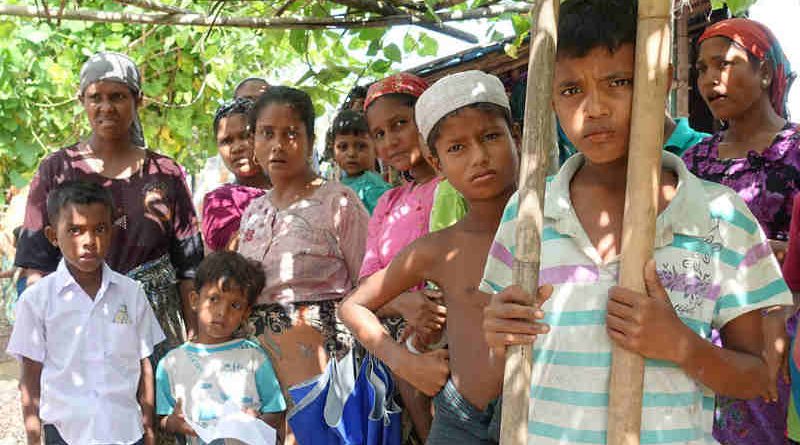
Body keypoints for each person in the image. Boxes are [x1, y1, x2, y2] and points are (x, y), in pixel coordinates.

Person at [480, 2, 792, 444]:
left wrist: (681, 345)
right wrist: (499, 333)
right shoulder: (528, 213)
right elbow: (502, 360)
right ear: (549, 96)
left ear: (660, 81)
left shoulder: (720, 218)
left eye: (618, 82)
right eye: (571, 90)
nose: (594, 108)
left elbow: (759, 377)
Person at [341, 70, 519, 444]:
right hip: (460, 417)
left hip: (539, 409)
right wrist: (407, 363)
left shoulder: (556, 224)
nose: (479, 157)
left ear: (516, 137)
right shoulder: (438, 248)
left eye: (490, 137)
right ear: (437, 163)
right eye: (457, 148)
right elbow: (353, 306)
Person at [13, 52, 202, 363]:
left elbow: (189, 269)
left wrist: (196, 347)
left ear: (138, 101)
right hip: (77, 324)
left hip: (153, 328)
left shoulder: (165, 173)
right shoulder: (57, 171)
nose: (106, 107)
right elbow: (36, 266)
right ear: (82, 101)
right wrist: (37, 345)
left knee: (151, 406)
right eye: (95, 97)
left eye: (117, 96)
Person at [681, 17, 799, 444]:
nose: (711, 80)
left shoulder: (796, 151)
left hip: (781, 329)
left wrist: (780, 253)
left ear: (765, 72)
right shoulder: (692, 163)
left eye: (724, 65)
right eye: (701, 70)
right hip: (705, 327)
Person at [236, 86, 369, 444]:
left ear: (310, 141)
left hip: (320, 366)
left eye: (290, 133)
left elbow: (368, 284)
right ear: (254, 141)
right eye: (267, 133)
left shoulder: (338, 202)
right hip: (261, 368)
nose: (278, 145)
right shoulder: (253, 212)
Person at [7, 180, 165, 445]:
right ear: (53, 236)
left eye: (100, 229)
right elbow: (30, 375)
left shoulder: (131, 293)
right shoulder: (36, 301)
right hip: (66, 433)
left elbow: (143, 362)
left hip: (126, 431)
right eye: (75, 230)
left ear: (112, 232)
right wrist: (34, 435)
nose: (89, 241)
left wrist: (148, 424)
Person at [360, 73, 448, 442]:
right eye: (379, 134)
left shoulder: (454, 187)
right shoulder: (387, 203)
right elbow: (366, 286)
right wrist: (404, 302)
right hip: (398, 351)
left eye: (399, 124)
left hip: (454, 337)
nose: (390, 140)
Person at [156, 251, 286, 444]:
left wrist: (255, 423)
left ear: (245, 313)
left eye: (235, 305)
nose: (222, 312)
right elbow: (162, 419)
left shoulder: (253, 356)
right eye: (214, 298)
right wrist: (174, 422)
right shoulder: (171, 363)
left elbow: (276, 411)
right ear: (194, 300)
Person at [202, 99, 271, 252]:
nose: (237, 147)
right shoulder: (219, 202)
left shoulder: (293, 192)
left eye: (245, 136)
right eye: (226, 141)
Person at [330, 109, 391, 214]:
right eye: (343, 147)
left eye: (361, 146)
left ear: (376, 148)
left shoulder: (374, 187)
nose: (351, 153)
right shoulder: (342, 183)